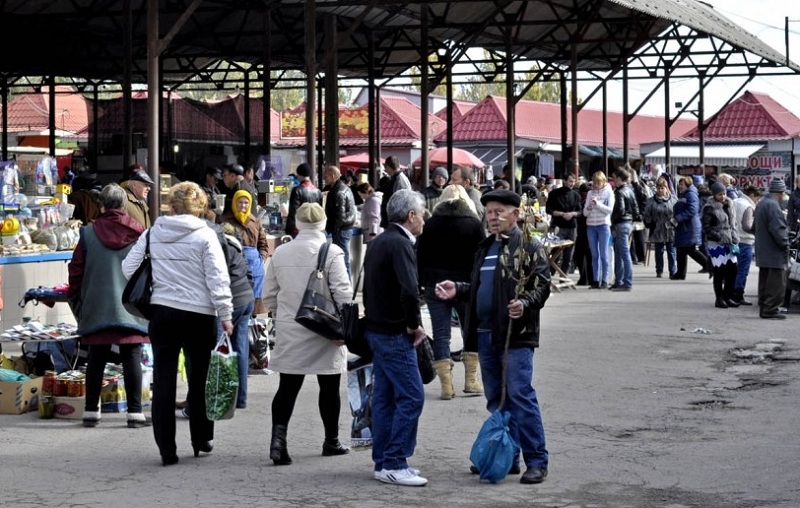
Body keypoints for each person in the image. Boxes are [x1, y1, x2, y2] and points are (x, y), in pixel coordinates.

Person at [435, 189, 552, 485]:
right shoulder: (485, 246)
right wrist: (459, 289)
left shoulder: (529, 246)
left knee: (520, 396)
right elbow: (480, 286)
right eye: (488, 212)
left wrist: (524, 303)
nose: (492, 217)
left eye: (498, 211)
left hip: (516, 335)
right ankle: (507, 455)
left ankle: (536, 460)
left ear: (515, 213)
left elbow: (542, 285)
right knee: (496, 399)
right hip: (486, 335)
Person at [122, 181, 234, 466]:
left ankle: (166, 448)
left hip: (162, 312)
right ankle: (200, 438)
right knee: (199, 378)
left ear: (171, 206)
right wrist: (226, 315)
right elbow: (217, 279)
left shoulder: (153, 233)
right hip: (199, 315)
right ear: (200, 207)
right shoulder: (206, 237)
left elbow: (127, 267)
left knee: (164, 380)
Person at [264, 202, 353, 465]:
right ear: (323, 223)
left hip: (292, 328)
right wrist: (344, 328)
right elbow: (343, 294)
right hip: (326, 331)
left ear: (297, 224)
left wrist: (282, 312)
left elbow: (269, 296)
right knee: (329, 387)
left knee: (287, 388)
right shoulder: (332, 251)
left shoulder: (281, 252)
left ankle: (278, 442)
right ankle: (331, 441)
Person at [67, 183, 150, 429]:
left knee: (96, 357)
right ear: (124, 205)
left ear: (101, 205)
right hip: (131, 306)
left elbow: (76, 271)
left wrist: (77, 300)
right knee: (132, 356)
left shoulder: (88, 234)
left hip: (98, 303)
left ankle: (91, 411)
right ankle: (135, 413)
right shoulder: (140, 232)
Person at [363, 189, 428, 486]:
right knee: (412, 395)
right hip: (393, 332)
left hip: (377, 329)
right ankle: (394, 460)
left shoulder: (378, 242)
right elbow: (409, 290)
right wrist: (415, 325)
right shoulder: (400, 243)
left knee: (386, 398)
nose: (424, 219)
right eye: (422, 213)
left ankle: (384, 460)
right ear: (411, 215)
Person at [416, 184, 485, 400]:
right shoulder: (474, 224)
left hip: (435, 285)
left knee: (441, 334)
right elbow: (481, 256)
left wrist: (421, 283)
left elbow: (421, 256)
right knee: (469, 330)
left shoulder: (430, 224)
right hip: (466, 286)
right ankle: (471, 381)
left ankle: (446, 386)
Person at [221, 190, 269, 315]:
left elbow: (263, 244)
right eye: (240, 202)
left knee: (256, 302)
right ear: (235, 203)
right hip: (235, 263)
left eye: (246, 203)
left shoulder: (255, 221)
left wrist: (262, 258)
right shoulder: (227, 221)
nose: (243, 206)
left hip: (255, 265)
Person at [753, 178, 790, 319]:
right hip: (774, 252)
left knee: (765, 281)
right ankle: (770, 309)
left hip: (763, 250)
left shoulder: (761, 204)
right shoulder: (773, 206)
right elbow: (778, 229)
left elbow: (753, 227)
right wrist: (786, 244)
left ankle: (764, 307)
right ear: (780, 193)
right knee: (776, 283)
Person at [702, 182, 740, 309]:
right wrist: (718, 236)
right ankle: (719, 298)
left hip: (730, 241)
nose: (723, 196)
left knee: (732, 270)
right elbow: (706, 228)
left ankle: (728, 296)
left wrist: (734, 237)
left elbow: (732, 223)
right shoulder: (709, 207)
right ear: (714, 194)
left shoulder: (729, 204)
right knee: (719, 272)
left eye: (724, 193)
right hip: (716, 243)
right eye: (720, 194)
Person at [672, 176, 710, 280]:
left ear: (688, 185)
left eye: (682, 184)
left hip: (689, 227)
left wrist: (678, 218)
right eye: (679, 184)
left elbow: (692, 210)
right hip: (684, 227)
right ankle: (680, 273)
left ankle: (709, 265)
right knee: (681, 250)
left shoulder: (691, 194)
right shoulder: (684, 194)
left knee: (690, 249)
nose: (679, 186)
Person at [323, 165, 357, 277]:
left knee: (342, 259)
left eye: (326, 176)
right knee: (342, 258)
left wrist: (333, 230)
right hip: (343, 228)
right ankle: (346, 285)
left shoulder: (338, 192)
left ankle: (346, 285)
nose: (324, 178)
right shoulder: (341, 189)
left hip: (341, 230)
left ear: (333, 176)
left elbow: (340, 216)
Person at [583, 171, 615, 289]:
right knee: (594, 254)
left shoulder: (608, 193)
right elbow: (585, 213)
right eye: (594, 182)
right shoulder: (590, 193)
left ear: (603, 182)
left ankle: (605, 280)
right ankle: (595, 280)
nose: (596, 185)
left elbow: (610, 210)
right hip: (591, 225)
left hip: (603, 225)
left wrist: (597, 204)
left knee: (604, 254)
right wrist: (589, 207)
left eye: (598, 182)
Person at [545, 172, 581, 275]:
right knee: (556, 252)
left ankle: (563, 276)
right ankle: (550, 275)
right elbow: (548, 209)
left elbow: (580, 212)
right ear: (564, 181)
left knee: (568, 254)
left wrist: (572, 214)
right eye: (570, 181)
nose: (572, 184)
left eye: (574, 181)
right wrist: (561, 214)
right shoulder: (554, 193)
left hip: (571, 227)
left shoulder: (576, 195)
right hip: (558, 226)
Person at [609, 167, 639, 291]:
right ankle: (620, 281)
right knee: (621, 252)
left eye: (615, 178)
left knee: (623, 253)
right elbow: (636, 209)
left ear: (620, 179)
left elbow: (620, 210)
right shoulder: (630, 190)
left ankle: (626, 282)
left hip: (621, 223)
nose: (614, 180)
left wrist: (613, 223)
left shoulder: (619, 192)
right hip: (628, 223)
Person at [732, 185, 761, 305]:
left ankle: (730, 293)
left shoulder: (734, 201)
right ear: (752, 195)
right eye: (757, 199)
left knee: (734, 269)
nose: (757, 201)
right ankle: (738, 295)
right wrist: (758, 229)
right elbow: (747, 226)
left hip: (734, 240)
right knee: (743, 270)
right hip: (745, 240)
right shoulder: (748, 206)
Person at [643, 177, 677, 278]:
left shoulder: (674, 200)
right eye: (658, 188)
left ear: (667, 188)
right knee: (659, 251)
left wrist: (674, 223)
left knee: (671, 251)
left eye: (662, 188)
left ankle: (673, 271)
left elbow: (678, 214)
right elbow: (647, 214)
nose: (660, 190)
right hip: (657, 229)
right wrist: (649, 222)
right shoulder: (651, 201)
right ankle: (659, 270)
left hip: (671, 229)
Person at [285, 162, 323, 238]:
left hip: (299, 229)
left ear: (299, 174)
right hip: (314, 228)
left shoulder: (297, 190)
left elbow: (293, 212)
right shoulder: (318, 191)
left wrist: (288, 229)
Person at [378, 156, 411, 228]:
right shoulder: (395, 179)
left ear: (389, 167)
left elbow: (403, 202)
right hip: (392, 221)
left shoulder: (400, 180)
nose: (385, 170)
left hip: (396, 222)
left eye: (386, 167)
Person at [573, 182, 595, 286]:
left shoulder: (581, 203)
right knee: (588, 255)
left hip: (583, 231)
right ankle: (589, 278)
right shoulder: (590, 201)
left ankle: (584, 278)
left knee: (581, 256)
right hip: (589, 230)